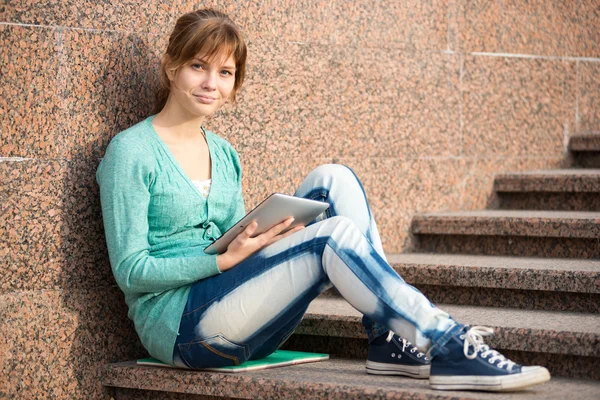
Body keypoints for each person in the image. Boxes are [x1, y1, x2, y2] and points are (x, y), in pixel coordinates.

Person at [96, 9, 550, 392]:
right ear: (171, 66)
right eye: (199, 65)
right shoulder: (131, 152)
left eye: (225, 72)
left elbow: (232, 239)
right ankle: (447, 343)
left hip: (238, 313)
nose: (211, 82)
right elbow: (131, 271)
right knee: (328, 237)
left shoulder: (223, 153)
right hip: (183, 330)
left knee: (332, 179)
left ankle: (385, 338)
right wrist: (220, 263)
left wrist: (269, 237)